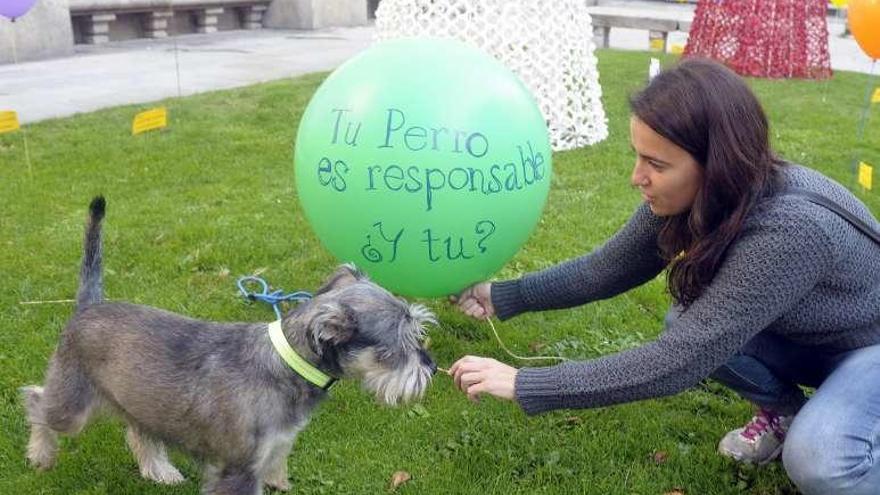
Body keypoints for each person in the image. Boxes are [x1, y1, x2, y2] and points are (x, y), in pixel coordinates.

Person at [448, 58, 880, 495]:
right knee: (685, 318)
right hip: (817, 340)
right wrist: (502, 297)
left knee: (820, 460)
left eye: (655, 163)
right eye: (639, 156)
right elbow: (607, 269)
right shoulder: (704, 193)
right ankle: (785, 415)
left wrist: (527, 383)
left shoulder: (792, 229)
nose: (638, 177)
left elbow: (681, 360)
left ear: (715, 162)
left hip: (870, 349)